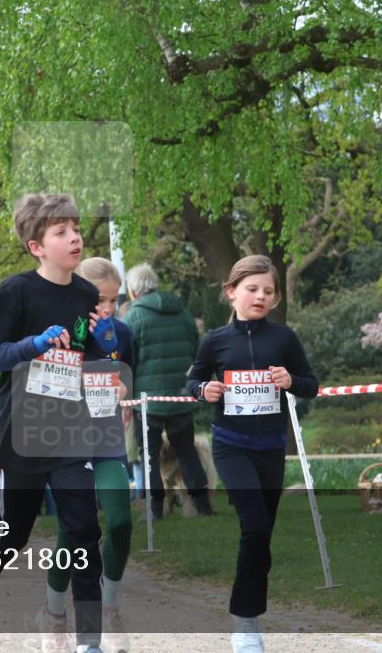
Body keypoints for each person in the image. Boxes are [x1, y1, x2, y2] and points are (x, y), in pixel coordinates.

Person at [0, 193, 116, 652]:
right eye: (62, 232)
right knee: (14, 532)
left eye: (76, 229)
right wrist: (33, 344)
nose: (75, 238)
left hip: (69, 430)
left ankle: (89, 642)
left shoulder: (86, 295)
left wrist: (105, 346)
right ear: (37, 247)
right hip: (23, 432)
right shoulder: (16, 291)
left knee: (84, 532)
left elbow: (85, 354)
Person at [186, 254, 318, 653]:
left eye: (268, 291)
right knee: (255, 527)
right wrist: (203, 390)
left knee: (262, 534)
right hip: (231, 445)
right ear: (231, 292)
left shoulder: (283, 339)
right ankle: (245, 624)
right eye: (252, 289)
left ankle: (250, 613)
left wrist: (291, 379)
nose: (260, 296)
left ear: (275, 298)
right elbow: (193, 380)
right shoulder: (215, 340)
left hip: (270, 448)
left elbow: (311, 384)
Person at [41, 257, 135, 653]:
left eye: (115, 301)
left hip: (107, 441)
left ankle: (109, 608)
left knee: (120, 522)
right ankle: (54, 614)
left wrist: (123, 390)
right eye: (101, 301)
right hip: (67, 445)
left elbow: (129, 376)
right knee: (74, 533)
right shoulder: (62, 333)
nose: (108, 310)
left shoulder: (122, 333)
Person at [125, 262, 213, 520]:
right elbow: (195, 350)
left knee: (149, 456)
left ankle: (155, 510)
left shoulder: (132, 317)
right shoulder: (182, 313)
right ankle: (202, 506)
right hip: (179, 395)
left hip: (147, 401)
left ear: (133, 291)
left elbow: (128, 360)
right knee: (187, 451)